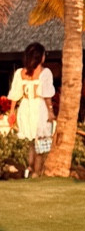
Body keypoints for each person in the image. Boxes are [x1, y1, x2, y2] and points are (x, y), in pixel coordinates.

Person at [8, 44, 56, 177]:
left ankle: (30, 168)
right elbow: (47, 95)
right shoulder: (45, 73)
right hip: (39, 108)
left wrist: (12, 111)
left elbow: (14, 95)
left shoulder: (19, 73)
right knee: (40, 142)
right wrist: (51, 111)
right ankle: (36, 170)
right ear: (40, 57)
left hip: (25, 107)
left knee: (31, 142)